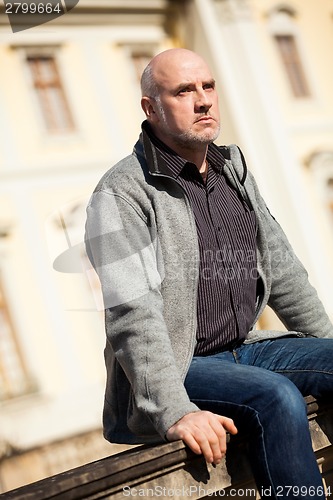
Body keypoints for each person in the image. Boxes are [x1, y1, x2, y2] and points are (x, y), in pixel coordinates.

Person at [85, 48, 333, 498]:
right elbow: (131, 315)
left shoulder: (232, 168)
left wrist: (323, 348)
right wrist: (174, 409)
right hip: (182, 367)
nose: (203, 100)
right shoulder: (121, 194)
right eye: (184, 91)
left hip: (247, 350)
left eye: (208, 86)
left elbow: (283, 271)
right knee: (276, 397)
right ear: (151, 108)